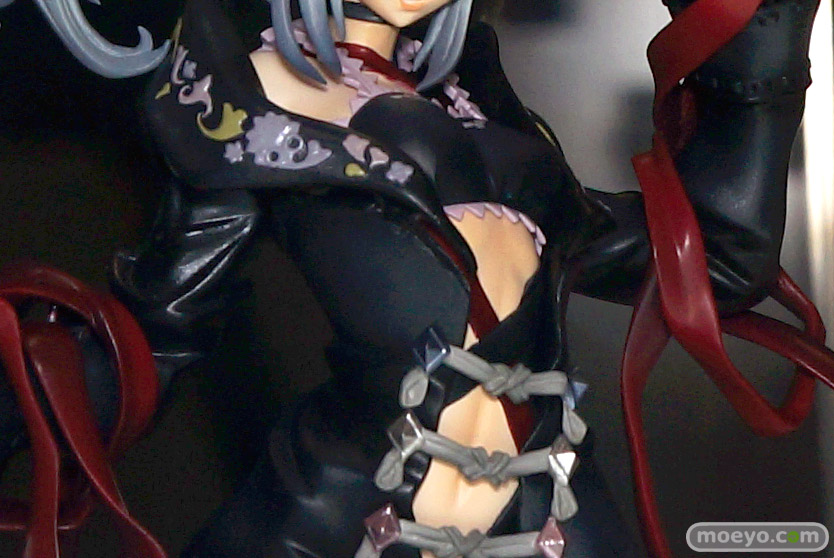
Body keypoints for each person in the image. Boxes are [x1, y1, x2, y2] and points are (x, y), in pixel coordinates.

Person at [0, 0, 826, 557]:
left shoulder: (485, 116)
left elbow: (716, 264)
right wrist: (32, 384)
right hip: (342, 519)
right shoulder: (253, 107)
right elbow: (156, 330)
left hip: (552, 517)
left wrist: (756, 57)